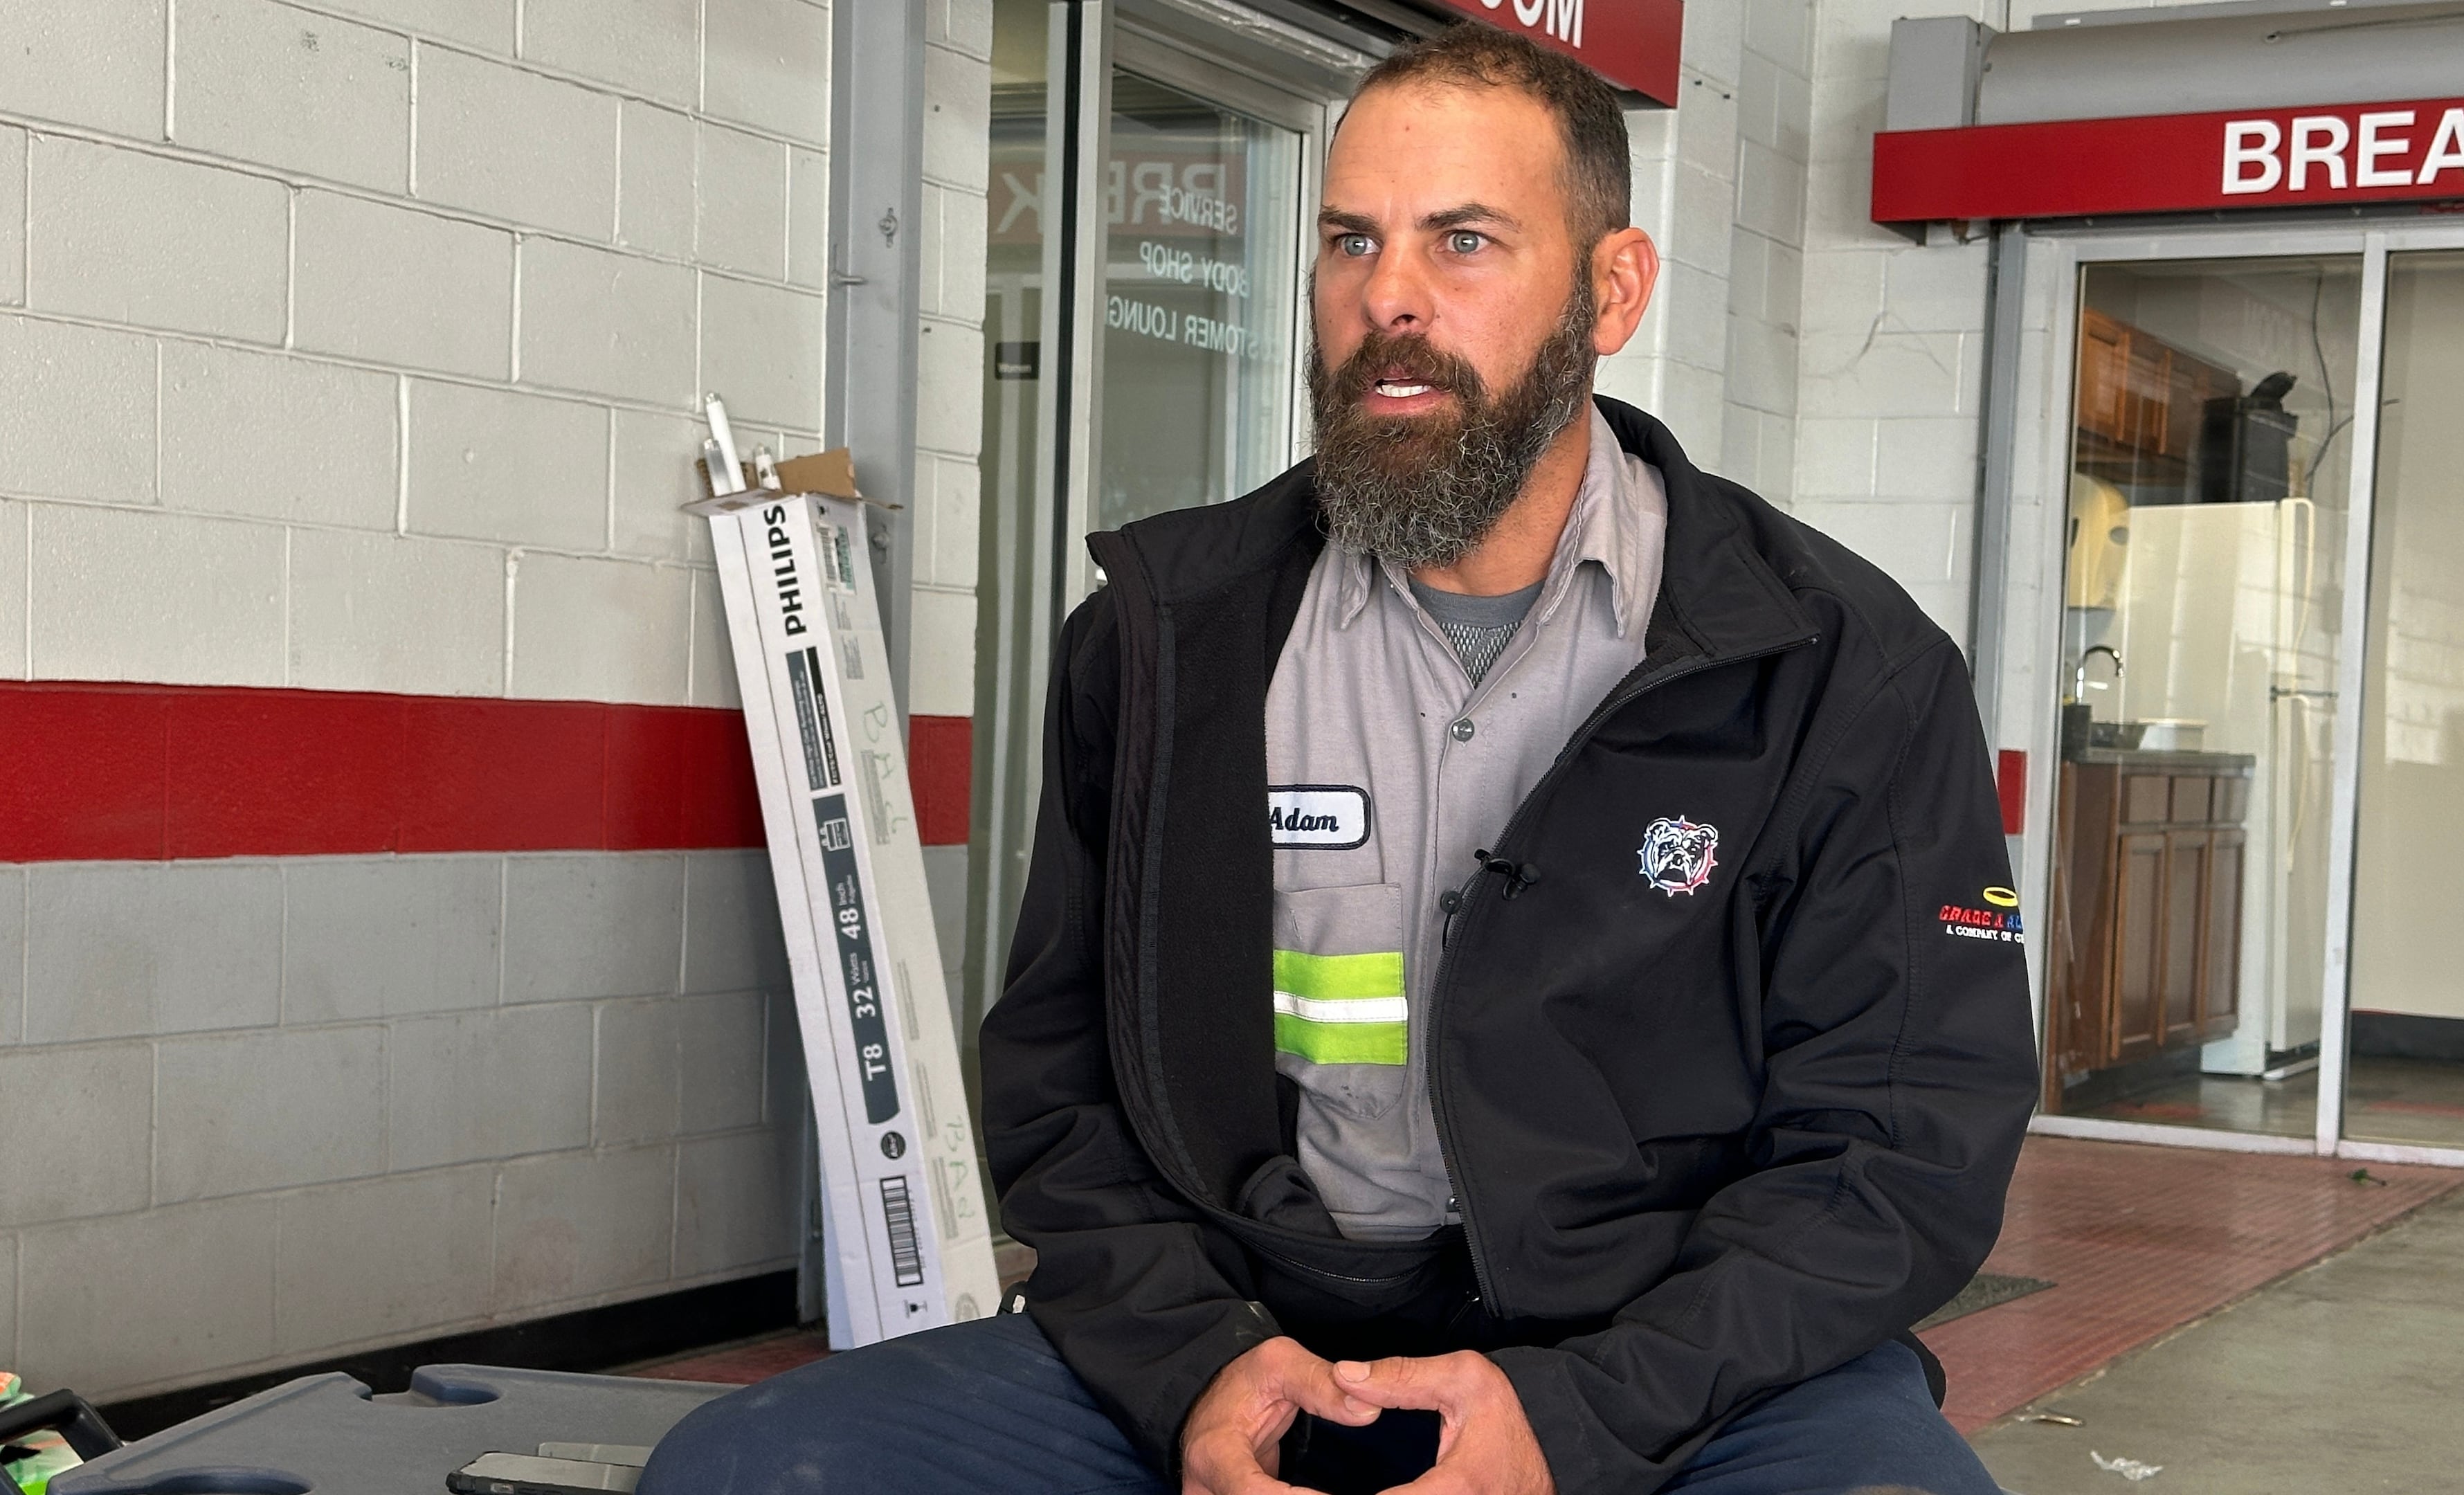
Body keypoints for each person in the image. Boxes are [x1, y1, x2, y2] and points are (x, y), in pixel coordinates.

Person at [646, 24, 2034, 1495]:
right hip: (1262, 1336)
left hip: (1683, 1364)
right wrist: (1200, 1370)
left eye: (1466, 242)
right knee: (753, 1470)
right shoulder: (1168, 644)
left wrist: (1571, 1418)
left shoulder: (1838, 668)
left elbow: (1899, 1153)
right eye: (1352, 240)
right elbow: (1059, 1086)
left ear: (1611, 288)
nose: (1390, 298)